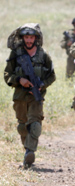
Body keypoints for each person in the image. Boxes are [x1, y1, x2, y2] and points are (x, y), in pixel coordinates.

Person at [4, 23, 56, 169]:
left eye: (31, 37)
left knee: (34, 125)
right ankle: (27, 151)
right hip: (20, 97)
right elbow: (7, 74)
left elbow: (52, 76)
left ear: (36, 38)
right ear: (22, 38)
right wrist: (19, 80)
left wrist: (41, 85)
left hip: (35, 97)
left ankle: (29, 151)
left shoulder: (43, 55)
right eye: (26, 37)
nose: (28, 40)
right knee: (22, 127)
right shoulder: (16, 54)